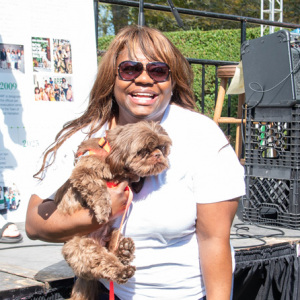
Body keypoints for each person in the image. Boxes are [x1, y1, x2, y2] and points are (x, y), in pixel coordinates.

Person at [25, 25, 245, 300]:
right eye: (130, 69)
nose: (144, 79)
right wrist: (97, 214)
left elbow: (214, 240)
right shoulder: (87, 137)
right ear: (112, 78)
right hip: (111, 292)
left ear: (172, 80)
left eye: (158, 70)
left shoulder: (201, 136)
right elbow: (34, 223)